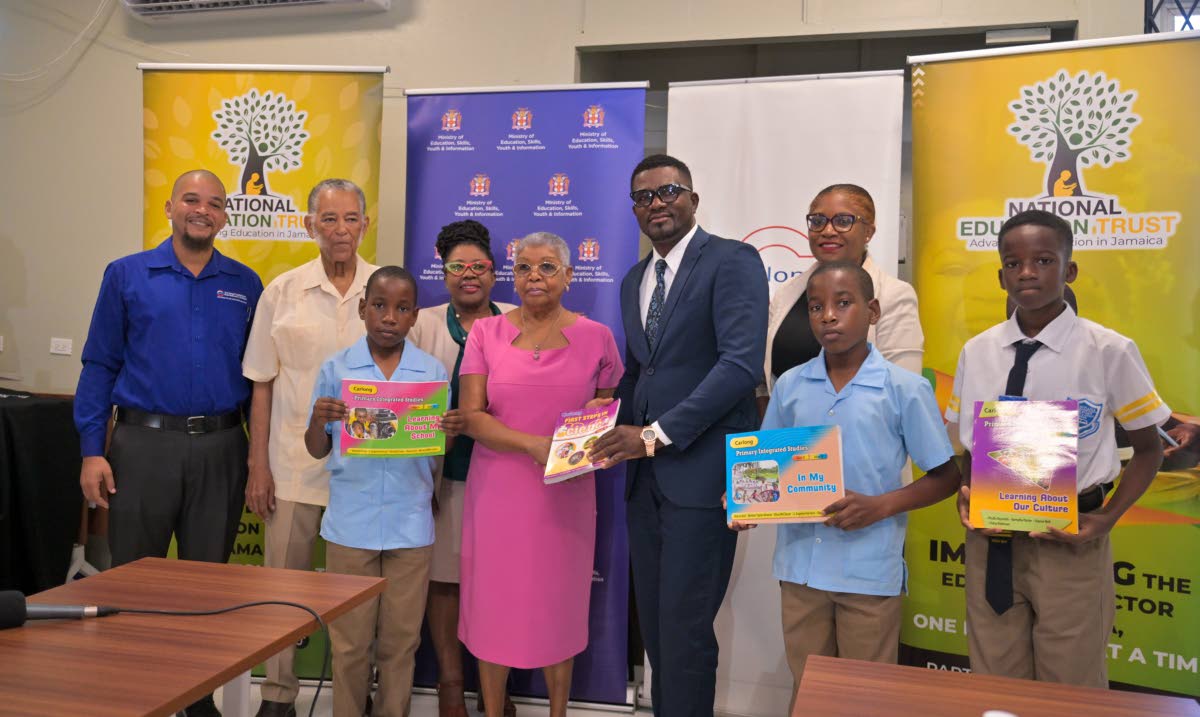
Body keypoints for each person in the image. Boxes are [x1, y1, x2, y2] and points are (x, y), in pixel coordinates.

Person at [949, 210, 1169, 687]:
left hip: (1068, 542)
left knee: (1071, 688)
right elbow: (966, 445)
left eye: (1044, 260)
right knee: (994, 682)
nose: (1027, 272)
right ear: (1001, 274)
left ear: (1069, 270)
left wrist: (1106, 519)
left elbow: (1149, 451)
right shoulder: (977, 352)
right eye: (1013, 263)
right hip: (993, 541)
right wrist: (966, 489)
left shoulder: (1108, 350)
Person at [74, 168, 263, 717]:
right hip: (141, 445)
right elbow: (99, 364)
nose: (202, 210)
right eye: (191, 199)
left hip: (221, 447)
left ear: (227, 214)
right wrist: (92, 449)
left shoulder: (245, 283)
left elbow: (256, 379)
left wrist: (257, 459)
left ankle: (197, 695)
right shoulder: (127, 275)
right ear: (170, 208)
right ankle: (136, 692)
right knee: (136, 579)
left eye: (214, 203)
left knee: (205, 586)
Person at [588, 154, 769, 716]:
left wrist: (657, 434)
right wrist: (600, 424)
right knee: (661, 632)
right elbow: (643, 372)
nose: (656, 203)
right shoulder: (634, 280)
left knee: (688, 632)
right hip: (644, 486)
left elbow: (740, 367)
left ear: (693, 197)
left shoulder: (733, 261)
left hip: (701, 476)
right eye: (643, 197)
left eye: (668, 191)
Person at [742, 261, 960, 707]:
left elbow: (946, 476)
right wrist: (743, 499)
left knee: (865, 699)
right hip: (801, 568)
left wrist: (880, 506)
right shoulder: (790, 385)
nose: (828, 316)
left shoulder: (904, 389)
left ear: (873, 311)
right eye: (816, 307)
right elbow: (765, 467)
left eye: (843, 304)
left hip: (868, 571)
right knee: (809, 694)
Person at [455, 232, 622, 717]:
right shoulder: (486, 333)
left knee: (558, 607)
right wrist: (532, 445)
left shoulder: (598, 337)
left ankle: (558, 711)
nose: (535, 277)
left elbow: (608, 402)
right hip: (498, 493)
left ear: (569, 277)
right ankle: (491, 710)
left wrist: (600, 409)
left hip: (565, 495)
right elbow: (471, 416)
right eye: (525, 267)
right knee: (494, 607)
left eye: (548, 267)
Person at [240, 178, 378, 717]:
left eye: (350, 219)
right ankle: (277, 696)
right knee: (282, 591)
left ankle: (353, 693)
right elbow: (262, 383)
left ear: (365, 224)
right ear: (309, 226)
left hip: (364, 474)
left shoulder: (385, 288)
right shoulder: (282, 291)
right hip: (292, 467)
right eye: (329, 219)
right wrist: (258, 466)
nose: (340, 230)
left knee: (355, 597)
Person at [306, 266, 447, 717]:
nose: (390, 317)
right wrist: (316, 419)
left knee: (401, 644)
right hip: (351, 525)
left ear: (414, 317)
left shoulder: (432, 373)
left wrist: (450, 429)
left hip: (409, 524)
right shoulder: (337, 368)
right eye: (380, 306)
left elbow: (436, 446)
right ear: (364, 309)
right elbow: (315, 448)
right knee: (349, 645)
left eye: (402, 308)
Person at [407, 220, 515, 717]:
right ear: (443, 271)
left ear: (494, 272)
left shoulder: (519, 319)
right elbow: (404, 397)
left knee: (501, 583)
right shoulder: (423, 323)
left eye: (479, 267)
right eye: (458, 267)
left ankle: (495, 691)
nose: (469, 276)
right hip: (443, 476)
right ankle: (451, 685)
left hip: (507, 478)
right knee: (446, 581)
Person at [761, 184, 923, 415]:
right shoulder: (787, 292)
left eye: (843, 221)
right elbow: (768, 376)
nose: (827, 230)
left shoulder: (893, 295)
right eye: (817, 221)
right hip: (790, 440)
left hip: (863, 440)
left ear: (869, 232)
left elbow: (905, 393)